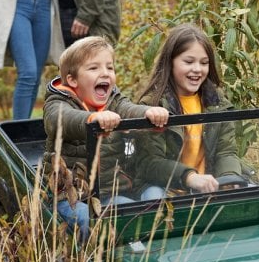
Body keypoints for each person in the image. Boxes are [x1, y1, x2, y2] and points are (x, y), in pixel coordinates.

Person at [42, 36, 168, 242]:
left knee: (127, 215)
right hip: (68, 195)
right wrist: (92, 119)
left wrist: (149, 112)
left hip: (107, 192)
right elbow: (59, 120)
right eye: (93, 68)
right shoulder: (57, 102)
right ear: (72, 80)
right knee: (88, 222)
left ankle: (137, 256)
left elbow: (128, 109)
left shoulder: (113, 100)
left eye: (110, 68)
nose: (105, 73)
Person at [134, 24, 242, 199]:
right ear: (171, 62)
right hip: (164, 186)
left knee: (248, 191)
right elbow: (150, 164)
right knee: (154, 198)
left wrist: (229, 178)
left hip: (208, 185)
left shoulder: (217, 102)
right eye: (189, 62)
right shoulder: (152, 105)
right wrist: (189, 177)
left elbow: (226, 152)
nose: (197, 69)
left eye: (204, 63)